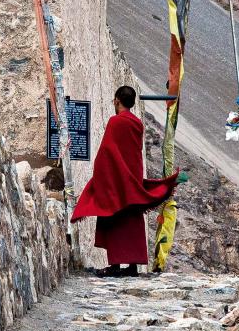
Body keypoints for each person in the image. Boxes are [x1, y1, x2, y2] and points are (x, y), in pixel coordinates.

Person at [70, 86, 180, 277]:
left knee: (114, 220)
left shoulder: (115, 122)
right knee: (131, 222)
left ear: (117, 100)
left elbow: (107, 151)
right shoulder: (137, 123)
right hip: (131, 182)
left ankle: (115, 266)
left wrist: (100, 174)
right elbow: (133, 155)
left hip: (115, 182)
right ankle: (132, 266)